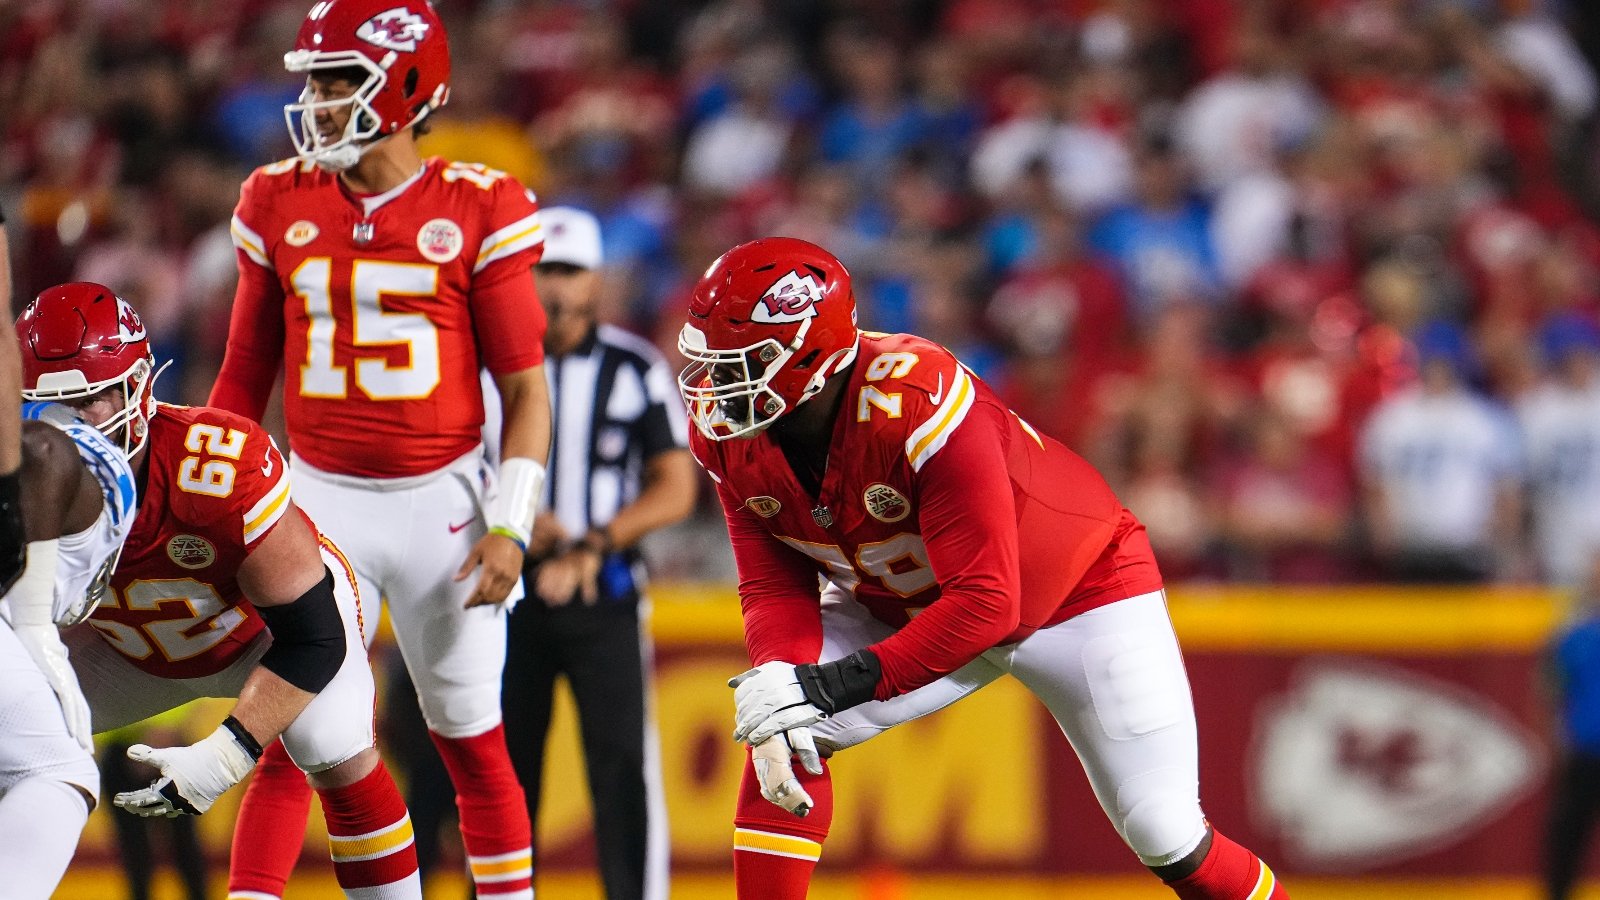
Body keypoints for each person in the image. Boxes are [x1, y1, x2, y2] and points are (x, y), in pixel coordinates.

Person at [679, 237, 1289, 900]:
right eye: (713, 360)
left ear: (814, 353)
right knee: (784, 726)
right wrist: (781, 683)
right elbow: (774, 582)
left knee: (1164, 828)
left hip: (1073, 593)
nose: (720, 383)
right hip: (907, 600)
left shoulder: (913, 397)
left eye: (745, 360)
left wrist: (826, 687)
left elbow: (987, 603)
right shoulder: (727, 431)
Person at [207, 2, 552, 898]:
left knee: (472, 742)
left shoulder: (482, 205)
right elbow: (243, 378)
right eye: (313, 81)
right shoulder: (275, 197)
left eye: (336, 81)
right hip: (319, 503)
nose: (316, 101)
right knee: (296, 737)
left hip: (444, 502)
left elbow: (526, 391)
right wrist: (215, 514)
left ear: (404, 86)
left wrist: (511, 527)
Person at [16, 282, 424, 900]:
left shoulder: (217, 468)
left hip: (262, 635)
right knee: (10, 739)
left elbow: (314, 637)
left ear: (136, 389)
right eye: (45, 408)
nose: (65, 428)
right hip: (127, 650)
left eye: (87, 401)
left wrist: (229, 752)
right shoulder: (17, 478)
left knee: (332, 745)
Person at [502, 207, 694, 900]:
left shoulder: (633, 367)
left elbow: (676, 486)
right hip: (507, 596)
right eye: (544, 270)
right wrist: (511, 513)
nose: (556, 286)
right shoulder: (491, 367)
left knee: (621, 770)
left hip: (606, 593)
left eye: (570, 270)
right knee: (500, 772)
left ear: (596, 281)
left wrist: (593, 542)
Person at [0, 223, 138, 899]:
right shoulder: (78, 446)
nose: (87, 413)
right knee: (60, 772)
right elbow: (48, 450)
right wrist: (33, 625)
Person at [1544, 551, 1600, 900]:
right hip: (1584, 754)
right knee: (1566, 841)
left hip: (1583, 750)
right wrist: (1556, 739)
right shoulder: (1573, 634)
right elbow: (1550, 690)